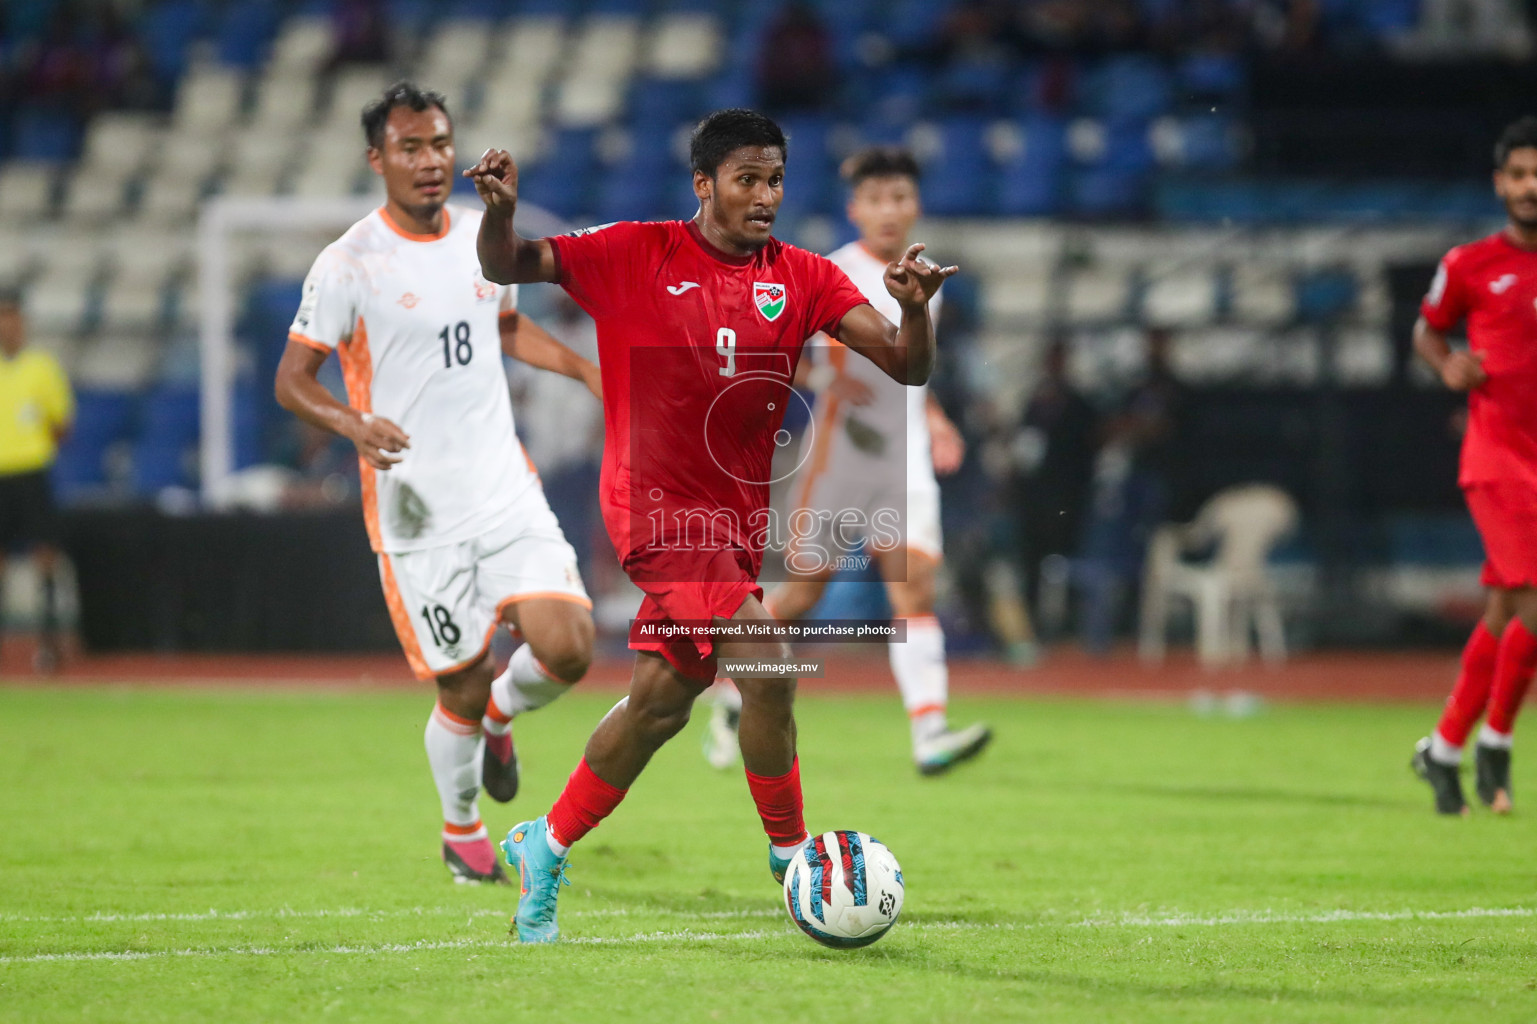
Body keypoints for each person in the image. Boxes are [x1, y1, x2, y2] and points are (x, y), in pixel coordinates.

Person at [467, 108, 955, 942]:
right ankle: (793, 855)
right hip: (654, 514)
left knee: (661, 704)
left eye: (774, 180)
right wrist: (501, 211)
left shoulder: (802, 277)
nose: (764, 196)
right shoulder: (631, 252)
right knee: (768, 662)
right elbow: (508, 262)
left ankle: (543, 844)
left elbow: (907, 365)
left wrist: (911, 310)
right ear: (704, 183)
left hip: (730, 528)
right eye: (746, 180)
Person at [274, 82, 600, 884]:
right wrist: (352, 423)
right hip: (416, 508)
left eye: (439, 144)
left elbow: (506, 326)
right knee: (460, 681)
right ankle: (461, 831)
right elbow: (292, 379)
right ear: (377, 159)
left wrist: (593, 374)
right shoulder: (348, 262)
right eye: (411, 148)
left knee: (569, 647)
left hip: (501, 482)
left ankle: (499, 718)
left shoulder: (482, 241)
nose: (430, 161)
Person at [700, 147, 990, 776]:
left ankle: (929, 732)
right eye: (877, 199)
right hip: (838, 461)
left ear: (916, 206)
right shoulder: (827, 272)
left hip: (903, 463)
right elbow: (767, 349)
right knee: (803, 593)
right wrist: (826, 383)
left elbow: (912, 372)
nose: (890, 211)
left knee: (914, 588)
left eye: (901, 198)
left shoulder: (924, 281)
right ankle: (726, 688)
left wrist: (933, 419)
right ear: (855, 208)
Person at [1409, 116, 1537, 816]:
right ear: (1499, 183)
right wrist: (1447, 365)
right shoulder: (1468, 264)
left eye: (1536, 174)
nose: (1529, 186)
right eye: (1518, 174)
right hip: (1495, 460)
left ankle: (1448, 746)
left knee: (1504, 611)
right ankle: (1492, 738)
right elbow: (1426, 329)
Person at [0, 290, 73, 673]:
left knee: (44, 555)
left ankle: (48, 642)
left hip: (32, 471)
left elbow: (62, 422)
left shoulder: (41, 367)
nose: (7, 326)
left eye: (12, 317)